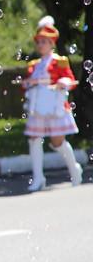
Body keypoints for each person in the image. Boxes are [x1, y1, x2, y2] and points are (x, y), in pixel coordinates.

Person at [23, 16, 83, 191]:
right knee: (34, 140)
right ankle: (38, 178)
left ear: (51, 43)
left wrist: (62, 82)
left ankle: (75, 168)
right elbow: (26, 85)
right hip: (37, 107)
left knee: (57, 142)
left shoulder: (60, 61)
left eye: (44, 42)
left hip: (55, 107)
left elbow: (70, 80)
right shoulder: (33, 65)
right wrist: (27, 84)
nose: (40, 45)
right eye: (38, 42)